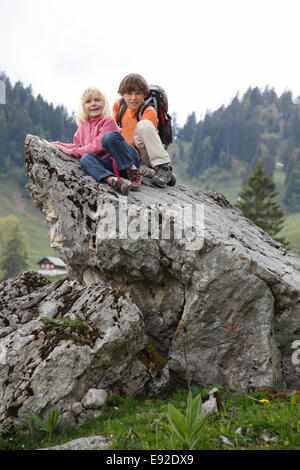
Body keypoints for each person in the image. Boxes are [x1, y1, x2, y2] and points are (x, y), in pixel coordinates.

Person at [51, 87, 142, 195]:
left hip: (126, 158)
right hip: (111, 166)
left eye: (97, 100)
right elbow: (80, 148)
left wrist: (71, 152)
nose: (93, 104)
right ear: (83, 107)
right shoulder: (81, 129)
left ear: (104, 103)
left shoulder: (108, 121)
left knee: (109, 137)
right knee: (85, 159)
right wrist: (58, 145)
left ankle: (132, 170)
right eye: (88, 101)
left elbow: (97, 146)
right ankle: (113, 181)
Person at [110, 73, 176, 188]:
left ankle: (163, 166)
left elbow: (140, 140)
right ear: (122, 94)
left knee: (144, 124)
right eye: (129, 93)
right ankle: (155, 173)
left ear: (144, 94)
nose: (133, 98)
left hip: (144, 153)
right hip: (130, 155)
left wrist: (123, 147)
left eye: (138, 93)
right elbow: (110, 128)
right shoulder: (119, 106)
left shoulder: (148, 110)